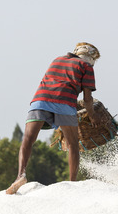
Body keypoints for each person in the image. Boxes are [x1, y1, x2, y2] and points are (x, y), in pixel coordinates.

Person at [6, 42, 102, 195]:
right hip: (64, 103)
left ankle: (20, 175)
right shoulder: (86, 67)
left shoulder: (57, 60)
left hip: (40, 99)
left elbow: (57, 82)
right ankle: (72, 183)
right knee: (73, 145)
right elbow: (87, 99)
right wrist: (93, 116)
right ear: (90, 58)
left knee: (28, 139)